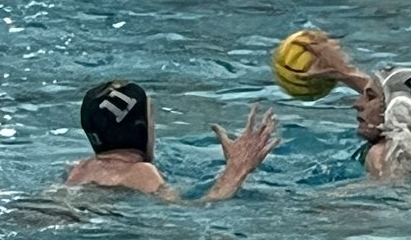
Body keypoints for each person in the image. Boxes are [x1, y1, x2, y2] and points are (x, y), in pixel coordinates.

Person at [66, 79, 279, 201]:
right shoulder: (141, 173)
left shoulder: (78, 169)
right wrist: (237, 169)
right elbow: (195, 211)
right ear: (140, 127)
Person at [300, 34, 411, 180]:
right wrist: (344, 72)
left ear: (390, 108)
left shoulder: (383, 155)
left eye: (370, 97)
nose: (357, 104)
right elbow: (391, 96)